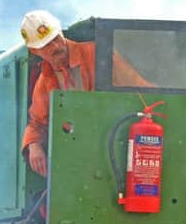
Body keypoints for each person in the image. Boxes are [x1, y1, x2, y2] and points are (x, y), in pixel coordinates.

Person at [20, 10, 153, 177]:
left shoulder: (98, 55)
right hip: (81, 159)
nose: (55, 47)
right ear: (34, 51)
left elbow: (141, 89)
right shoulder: (45, 81)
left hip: (119, 147)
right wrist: (33, 145)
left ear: (61, 32)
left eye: (55, 39)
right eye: (46, 45)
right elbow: (37, 123)